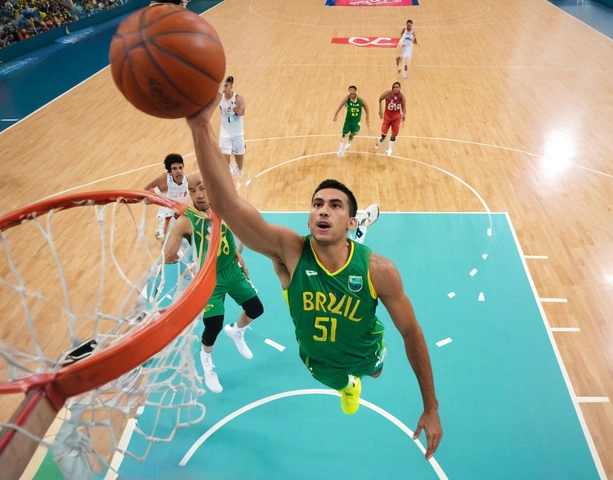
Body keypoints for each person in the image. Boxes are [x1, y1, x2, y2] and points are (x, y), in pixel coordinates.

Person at [185, 94, 443, 459]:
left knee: (377, 373)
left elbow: (411, 332)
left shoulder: (379, 271)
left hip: (367, 352)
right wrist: (199, 125)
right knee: (343, 385)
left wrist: (431, 407)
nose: (323, 209)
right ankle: (346, 386)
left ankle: (360, 236)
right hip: (317, 362)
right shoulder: (289, 251)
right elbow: (226, 205)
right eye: (317, 204)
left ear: (348, 221)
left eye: (335, 205)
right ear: (309, 218)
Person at [164, 171, 265, 393]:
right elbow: (168, 256)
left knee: (256, 309)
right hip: (210, 280)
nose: (198, 195)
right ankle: (207, 364)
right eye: (192, 191)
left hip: (232, 271)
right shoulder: (186, 221)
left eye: (202, 188)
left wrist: (239, 258)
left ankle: (237, 331)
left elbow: (229, 237)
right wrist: (187, 263)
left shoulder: (221, 208)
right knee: (214, 325)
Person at [144, 153, 189, 240]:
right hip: (167, 215)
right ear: (170, 171)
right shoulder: (164, 179)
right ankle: (161, 232)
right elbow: (145, 192)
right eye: (174, 169)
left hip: (181, 213)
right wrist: (154, 197)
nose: (179, 171)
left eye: (180, 167)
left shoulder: (187, 180)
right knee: (165, 241)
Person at [219, 75, 246, 178]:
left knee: (239, 154)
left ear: (231, 86)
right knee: (225, 162)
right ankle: (228, 177)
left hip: (237, 133)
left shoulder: (238, 98)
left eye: (226, 86)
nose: (224, 88)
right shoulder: (220, 97)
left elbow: (241, 113)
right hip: (225, 133)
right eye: (223, 86)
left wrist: (232, 107)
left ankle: (239, 170)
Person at [332, 85, 370, 158]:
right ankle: (340, 151)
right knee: (343, 135)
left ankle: (349, 142)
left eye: (353, 90)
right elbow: (340, 106)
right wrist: (335, 115)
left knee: (354, 133)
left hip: (356, 121)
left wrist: (367, 118)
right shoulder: (347, 98)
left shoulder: (361, 100)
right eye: (350, 90)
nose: (351, 92)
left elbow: (367, 108)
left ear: (355, 91)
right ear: (349, 91)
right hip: (348, 121)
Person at [375, 82, 406, 156]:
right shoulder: (388, 93)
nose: (396, 89)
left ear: (400, 88)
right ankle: (378, 141)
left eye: (397, 87)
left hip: (396, 118)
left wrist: (403, 115)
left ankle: (390, 149)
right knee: (383, 135)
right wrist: (380, 110)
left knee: (394, 135)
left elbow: (404, 107)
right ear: (392, 88)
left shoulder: (402, 97)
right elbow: (380, 99)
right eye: (394, 87)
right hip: (387, 117)